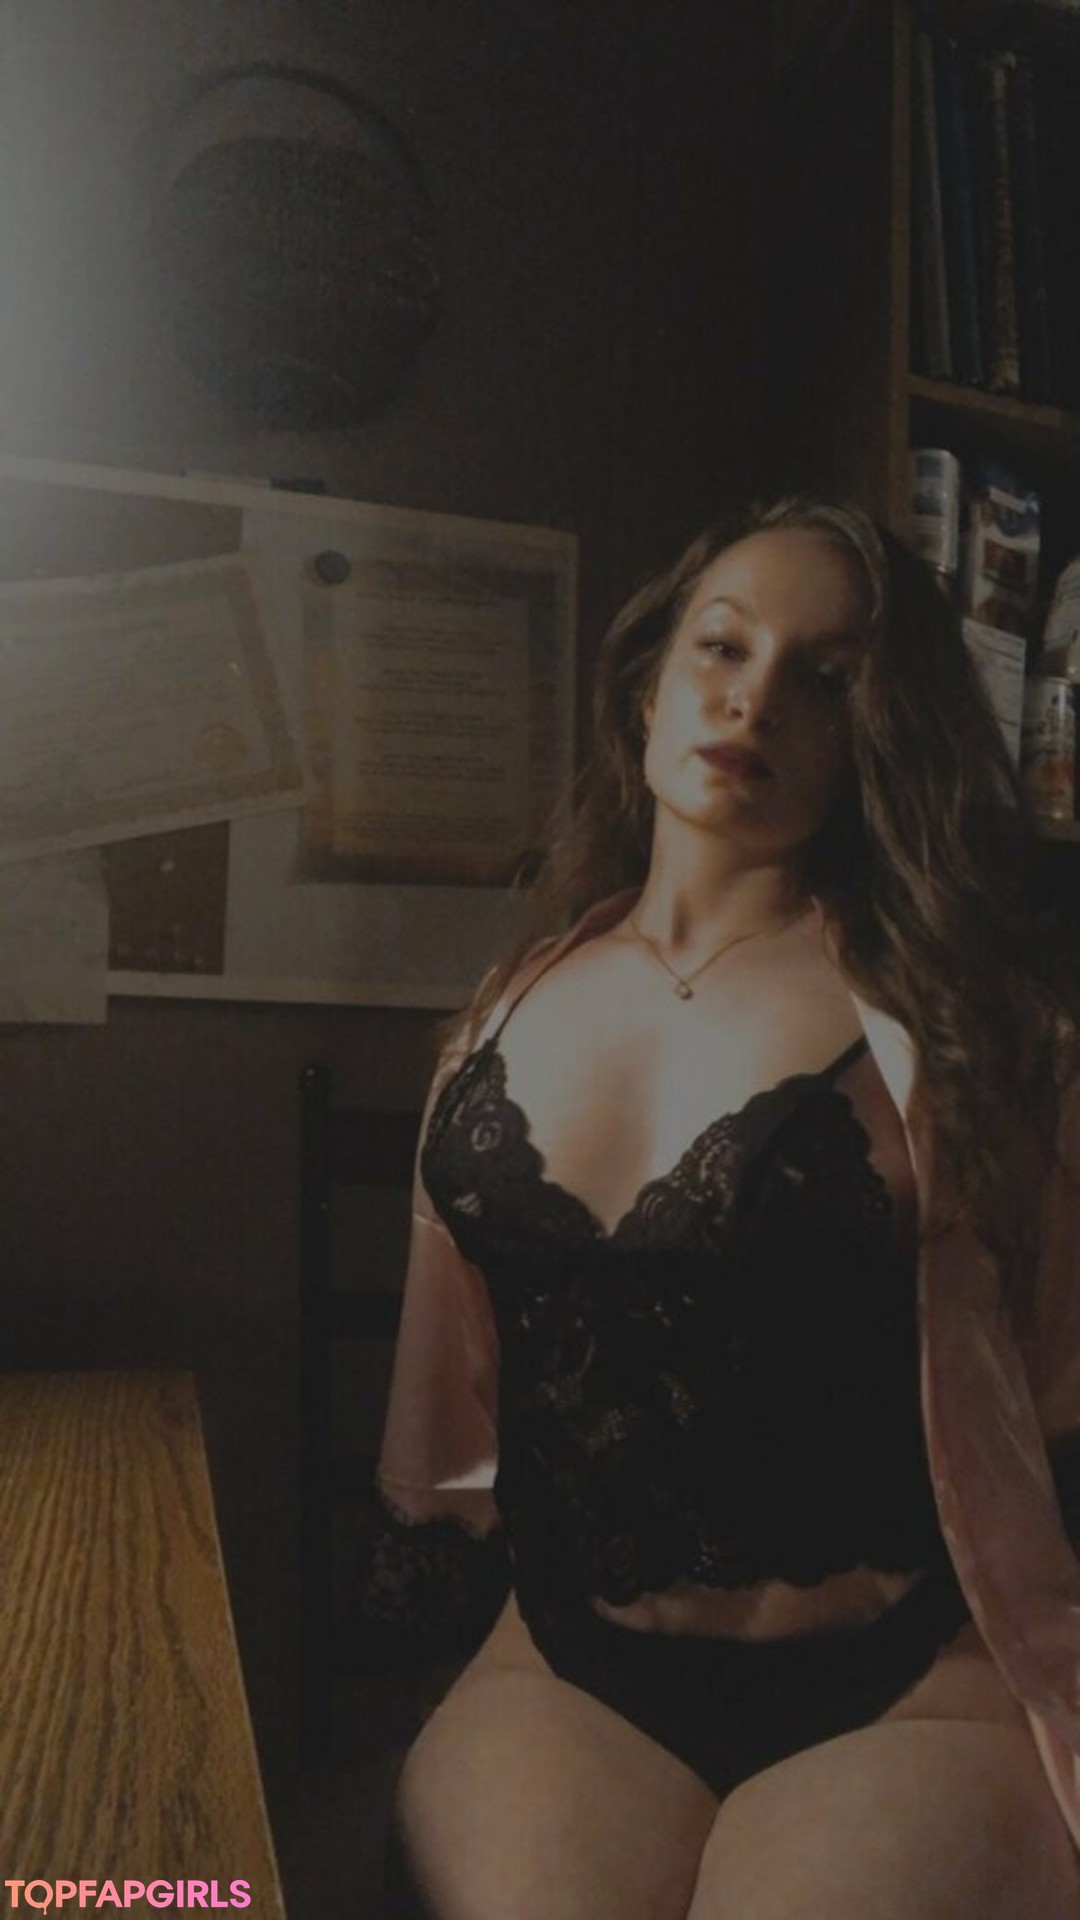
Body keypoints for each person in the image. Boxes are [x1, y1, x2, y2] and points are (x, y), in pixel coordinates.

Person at [371, 496, 1080, 1919]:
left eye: (826, 678)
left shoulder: (977, 1039)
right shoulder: (500, 1017)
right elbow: (451, 1402)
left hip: (903, 1687)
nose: (755, 699)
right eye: (724, 645)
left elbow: (1056, 1383)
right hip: (567, 1666)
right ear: (648, 688)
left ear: (876, 739)